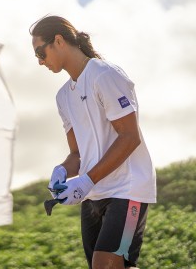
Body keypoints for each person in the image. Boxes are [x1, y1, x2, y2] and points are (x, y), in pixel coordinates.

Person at [29, 16, 156, 269]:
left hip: (127, 189)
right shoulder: (63, 96)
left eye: (40, 53)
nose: (40, 62)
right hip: (92, 195)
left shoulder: (104, 75)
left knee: (105, 265)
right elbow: (77, 153)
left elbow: (130, 137)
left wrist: (87, 180)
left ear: (59, 41)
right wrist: (64, 170)